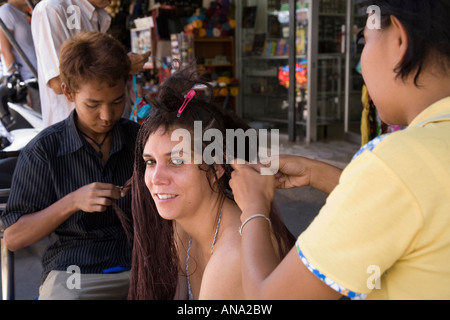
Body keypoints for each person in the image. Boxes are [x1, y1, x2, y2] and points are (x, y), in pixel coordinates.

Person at [229, 0, 450, 300]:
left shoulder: (395, 163)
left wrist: (254, 207)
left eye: (365, 39)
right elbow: (411, 202)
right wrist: (318, 173)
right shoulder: (417, 162)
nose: (360, 63)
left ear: (399, 39)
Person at [119, 67, 295, 300]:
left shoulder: (234, 252)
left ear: (217, 168)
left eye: (177, 161)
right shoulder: (183, 220)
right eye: (150, 162)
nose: (156, 178)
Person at [0, 31, 140, 299]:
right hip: (74, 271)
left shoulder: (140, 141)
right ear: (68, 91)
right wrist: (71, 202)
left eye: (117, 101)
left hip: (140, 264)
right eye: (93, 104)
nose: (107, 115)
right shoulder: (44, 151)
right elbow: (15, 237)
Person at [31, 0, 151, 126]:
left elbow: (99, 77)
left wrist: (126, 87)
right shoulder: (52, 9)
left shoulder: (96, 14)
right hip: (74, 134)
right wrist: (122, 65)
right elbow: (58, 82)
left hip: (108, 133)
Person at [0, 0, 40, 112]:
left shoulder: (25, 13)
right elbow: (5, 50)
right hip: (27, 81)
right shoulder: (6, 12)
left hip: (37, 78)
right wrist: (19, 84)